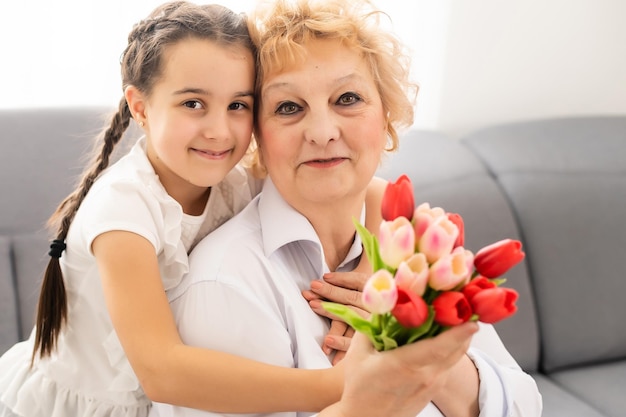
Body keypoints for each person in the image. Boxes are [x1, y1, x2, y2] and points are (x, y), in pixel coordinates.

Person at [152, 0, 543, 416]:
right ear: (257, 138)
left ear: (387, 118)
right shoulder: (226, 284)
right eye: (288, 107)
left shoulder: (415, 246)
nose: (321, 132)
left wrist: (427, 353)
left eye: (348, 98)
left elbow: (523, 405)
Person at [0, 2, 391, 416]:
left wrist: (372, 266)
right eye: (193, 104)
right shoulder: (124, 212)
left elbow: (378, 191)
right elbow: (162, 371)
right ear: (141, 107)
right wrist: (338, 385)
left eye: (237, 105)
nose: (219, 131)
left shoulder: (231, 177)